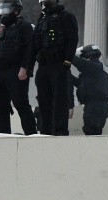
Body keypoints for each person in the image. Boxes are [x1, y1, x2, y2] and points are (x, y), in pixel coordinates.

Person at [0, 0, 37, 136]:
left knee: (21, 105)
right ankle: (4, 135)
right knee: (2, 107)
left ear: (16, 11)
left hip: (16, 70)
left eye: (6, 10)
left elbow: (30, 49)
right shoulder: (0, 30)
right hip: (0, 72)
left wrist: (24, 68)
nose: (3, 14)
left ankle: (31, 134)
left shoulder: (24, 26)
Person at [28, 0, 78, 136]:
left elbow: (72, 40)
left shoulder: (66, 17)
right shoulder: (41, 20)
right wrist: (28, 65)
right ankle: (46, 131)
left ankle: (60, 131)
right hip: (43, 66)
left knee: (60, 100)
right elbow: (33, 44)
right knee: (44, 101)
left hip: (59, 64)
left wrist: (68, 60)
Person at [71, 45, 108, 135]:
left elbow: (78, 62)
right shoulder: (97, 69)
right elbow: (80, 84)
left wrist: (68, 52)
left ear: (90, 57)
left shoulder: (94, 67)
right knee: (93, 132)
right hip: (96, 106)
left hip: (95, 107)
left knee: (91, 131)